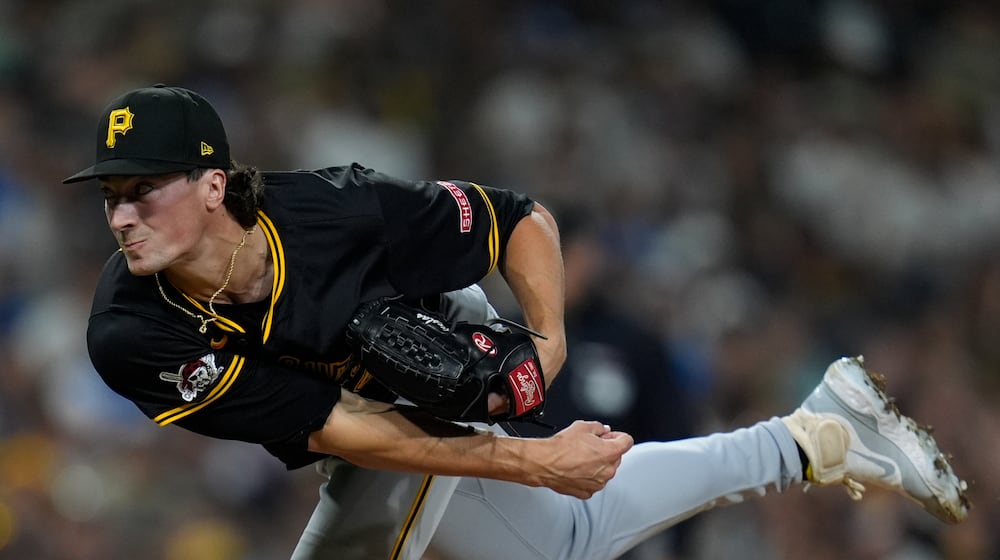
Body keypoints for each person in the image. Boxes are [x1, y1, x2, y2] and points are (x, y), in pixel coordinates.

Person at [64, 84, 969, 560]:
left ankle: (816, 436)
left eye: (143, 189)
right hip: (359, 416)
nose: (122, 216)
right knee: (569, 541)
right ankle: (815, 436)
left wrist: (549, 340)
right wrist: (533, 459)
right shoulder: (133, 333)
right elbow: (348, 432)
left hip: (438, 346)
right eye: (112, 195)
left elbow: (518, 219)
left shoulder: (339, 211)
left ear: (214, 183)